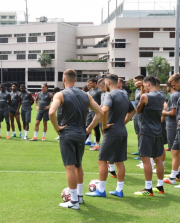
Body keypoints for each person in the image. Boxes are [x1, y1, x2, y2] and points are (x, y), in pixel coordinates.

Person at [49, 69, 103, 210]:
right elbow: (100, 112)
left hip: (68, 134)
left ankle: (73, 202)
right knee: (78, 165)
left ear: (63, 79)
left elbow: (51, 112)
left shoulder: (60, 94)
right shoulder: (85, 95)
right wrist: (89, 128)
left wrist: (57, 128)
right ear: (75, 80)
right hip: (81, 134)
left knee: (70, 167)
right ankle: (79, 197)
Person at [86, 74, 135, 198]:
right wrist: (123, 122)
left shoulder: (109, 95)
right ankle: (119, 190)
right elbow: (132, 110)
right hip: (122, 132)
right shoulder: (124, 94)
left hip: (112, 132)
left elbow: (104, 110)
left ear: (107, 82)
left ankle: (101, 190)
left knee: (102, 160)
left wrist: (104, 125)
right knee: (119, 161)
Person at [134, 76, 165, 196]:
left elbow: (138, 110)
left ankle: (148, 188)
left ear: (147, 84)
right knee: (158, 159)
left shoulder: (145, 96)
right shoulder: (161, 95)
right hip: (158, 130)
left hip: (146, 131)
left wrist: (142, 92)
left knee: (146, 160)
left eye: (144, 85)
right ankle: (160, 186)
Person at [163, 82, 180, 184]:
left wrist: (163, 112)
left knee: (174, 150)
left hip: (172, 124)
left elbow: (173, 112)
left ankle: (175, 175)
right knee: (175, 149)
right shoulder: (178, 94)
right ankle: (176, 173)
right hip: (174, 124)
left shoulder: (174, 95)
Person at [85, 78, 102, 150]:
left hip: (96, 112)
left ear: (95, 83)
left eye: (90, 83)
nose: (89, 84)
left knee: (96, 128)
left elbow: (102, 102)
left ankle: (97, 144)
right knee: (87, 126)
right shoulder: (90, 91)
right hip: (90, 112)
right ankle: (83, 142)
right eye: (88, 83)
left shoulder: (99, 91)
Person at [131, 75, 144, 159]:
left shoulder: (145, 90)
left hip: (142, 114)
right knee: (138, 132)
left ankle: (143, 152)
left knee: (142, 133)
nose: (134, 83)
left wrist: (142, 86)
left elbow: (143, 98)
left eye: (135, 81)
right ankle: (139, 149)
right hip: (136, 114)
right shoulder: (136, 90)